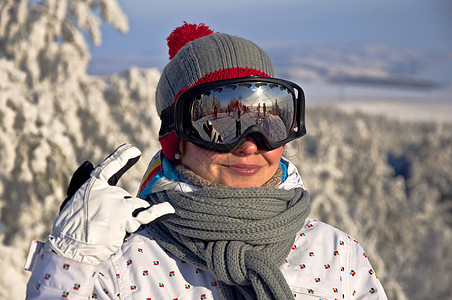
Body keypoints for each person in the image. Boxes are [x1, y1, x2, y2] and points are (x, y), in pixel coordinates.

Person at [24, 22, 387, 299]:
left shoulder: (335, 255)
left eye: (268, 119)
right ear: (176, 142)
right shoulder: (125, 264)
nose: (248, 145)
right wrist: (68, 263)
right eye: (218, 124)